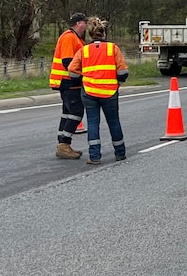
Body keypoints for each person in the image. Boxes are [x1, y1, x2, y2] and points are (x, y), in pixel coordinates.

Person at [68, 17, 129, 165]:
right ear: (104, 33)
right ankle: (120, 153)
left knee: (93, 123)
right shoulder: (112, 48)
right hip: (109, 92)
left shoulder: (84, 51)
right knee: (114, 121)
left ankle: (95, 156)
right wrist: (117, 84)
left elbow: (72, 71)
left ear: (90, 34)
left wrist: (82, 81)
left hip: (89, 92)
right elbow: (123, 72)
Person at [49, 12, 88, 159]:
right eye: (85, 22)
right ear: (79, 23)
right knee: (76, 112)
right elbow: (68, 62)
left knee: (67, 113)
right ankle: (63, 144)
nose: (86, 26)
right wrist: (81, 74)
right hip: (68, 81)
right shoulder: (69, 37)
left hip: (70, 81)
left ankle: (63, 144)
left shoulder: (76, 38)